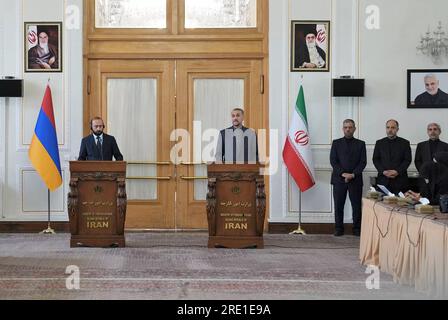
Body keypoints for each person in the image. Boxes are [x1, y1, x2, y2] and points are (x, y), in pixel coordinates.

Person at [330, 119, 367, 237]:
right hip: (339, 179)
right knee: (338, 205)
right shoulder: (336, 143)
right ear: (342, 129)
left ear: (354, 129)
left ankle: (357, 229)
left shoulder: (361, 144)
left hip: (355, 179)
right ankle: (338, 228)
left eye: (350, 127)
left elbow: (363, 162)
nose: (348, 129)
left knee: (356, 206)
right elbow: (333, 161)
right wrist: (343, 174)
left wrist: (352, 174)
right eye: (345, 127)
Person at [373, 119, 412, 195]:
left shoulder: (405, 143)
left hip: (400, 181)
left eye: (393, 127)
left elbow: (407, 160)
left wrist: (397, 171)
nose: (390, 130)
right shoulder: (379, 143)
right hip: (383, 180)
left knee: (400, 206)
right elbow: (375, 159)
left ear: (397, 129)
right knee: (382, 206)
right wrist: (383, 171)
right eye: (388, 127)